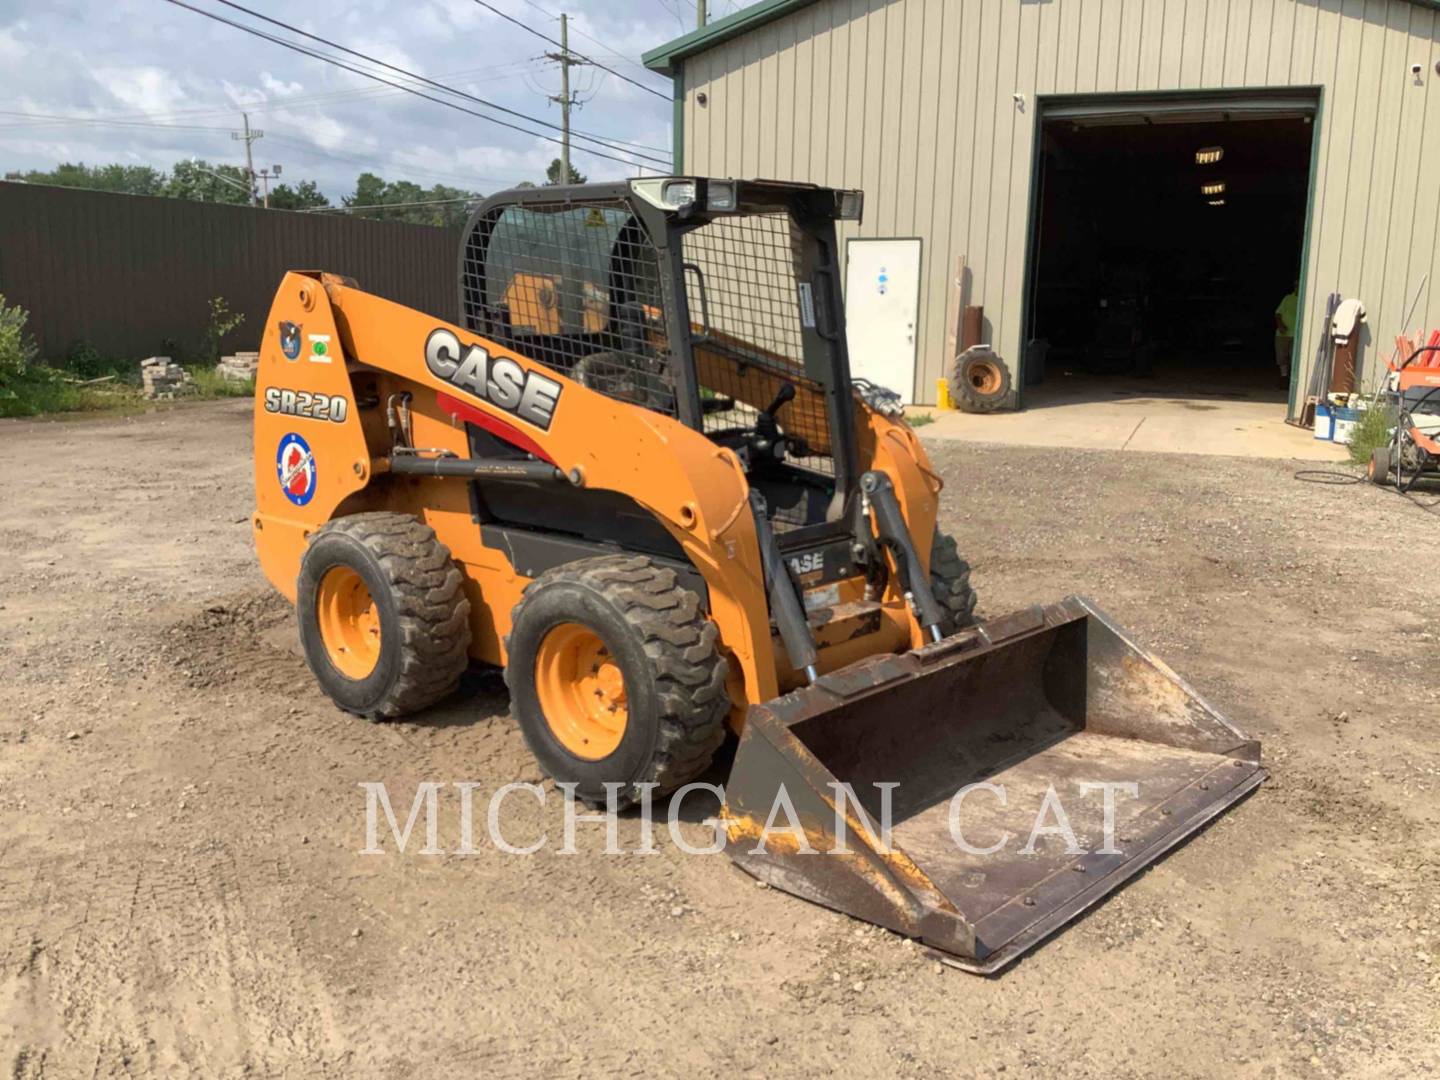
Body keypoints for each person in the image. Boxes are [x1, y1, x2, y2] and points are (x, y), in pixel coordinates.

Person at [1275, 282, 1298, 387]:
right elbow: (1278, 313)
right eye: (1296, 286)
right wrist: (1280, 325)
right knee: (1281, 357)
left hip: (1296, 335)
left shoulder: (1305, 299)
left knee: (1294, 358)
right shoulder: (1288, 298)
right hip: (1283, 334)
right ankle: (1284, 377)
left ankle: (1292, 381)